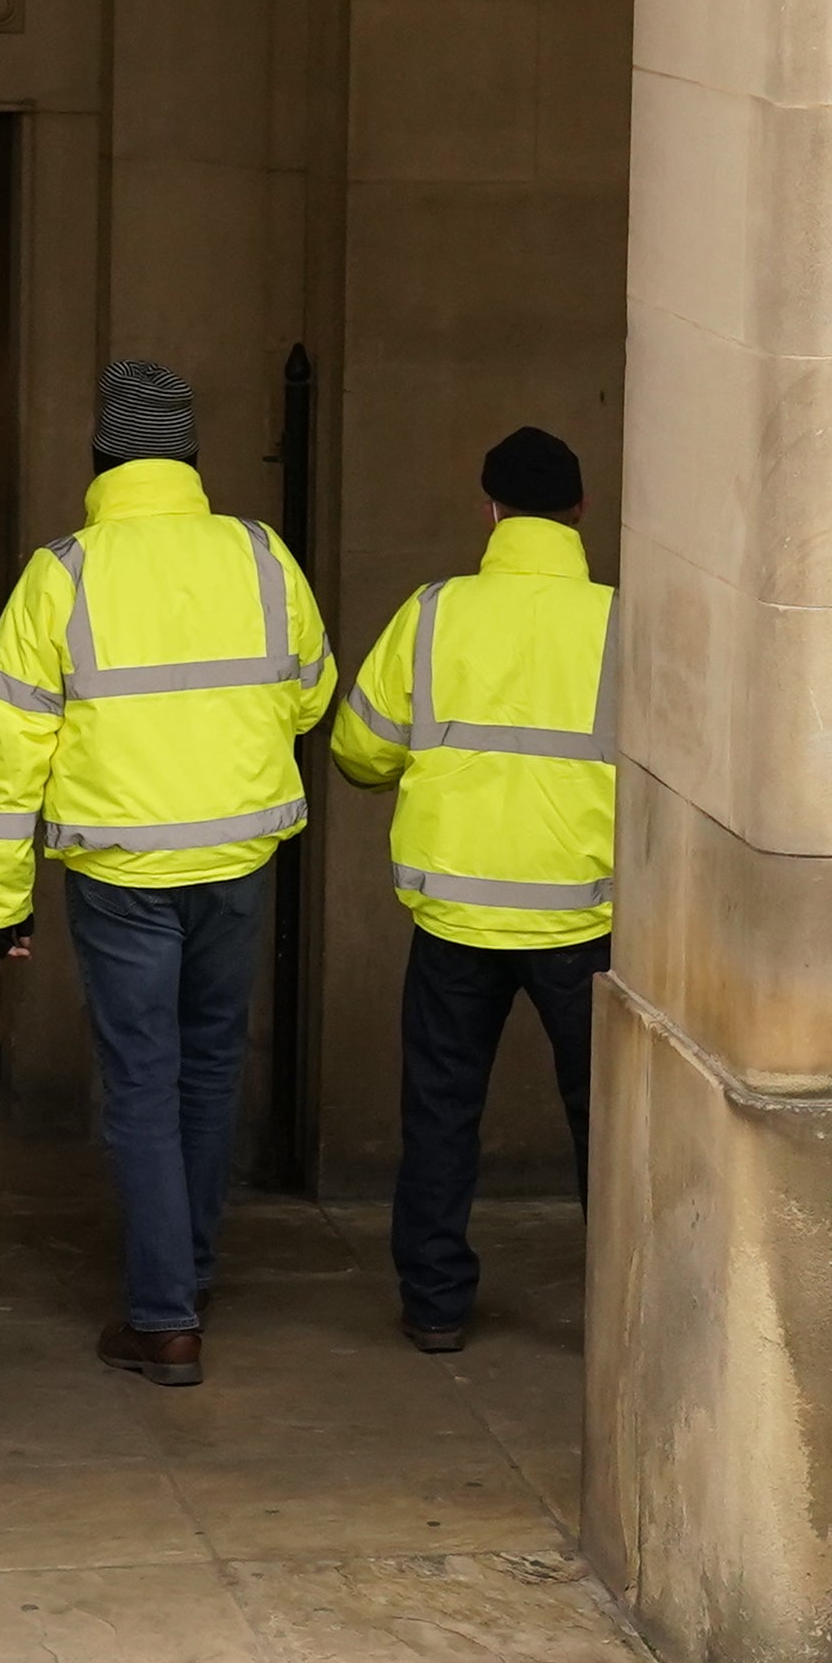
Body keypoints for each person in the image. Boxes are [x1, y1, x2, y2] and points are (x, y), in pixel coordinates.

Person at [0, 358, 331, 1385]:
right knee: (212, 1067)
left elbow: (9, 749)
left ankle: (165, 1314)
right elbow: (310, 697)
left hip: (122, 866)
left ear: (99, 460)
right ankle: (191, 1273)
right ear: (192, 459)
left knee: (141, 1079)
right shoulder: (262, 555)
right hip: (237, 855)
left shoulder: (63, 573)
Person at [327, 425, 617, 1352]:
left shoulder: (435, 611)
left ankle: (437, 1303)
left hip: (456, 915)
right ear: (579, 512)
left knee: (443, 1109)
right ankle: (621, 1309)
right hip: (585, 913)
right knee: (606, 1121)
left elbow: (359, 748)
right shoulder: (625, 621)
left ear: (489, 510)